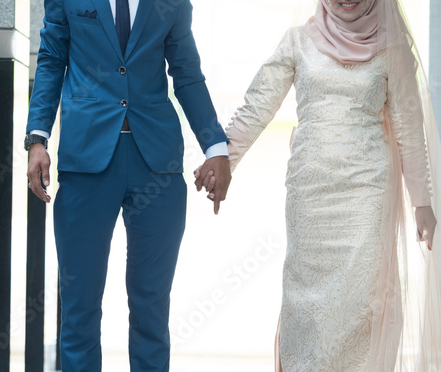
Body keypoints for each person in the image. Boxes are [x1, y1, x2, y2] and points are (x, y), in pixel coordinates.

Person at [195, 0, 441, 370]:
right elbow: (257, 106)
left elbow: (408, 128)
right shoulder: (298, 40)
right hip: (311, 200)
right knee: (307, 307)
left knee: (362, 304)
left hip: (368, 198)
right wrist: (222, 160)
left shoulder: (392, 47)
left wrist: (422, 201)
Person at [24, 0, 231, 371]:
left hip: (157, 166)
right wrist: (37, 138)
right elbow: (52, 57)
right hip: (86, 163)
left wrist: (215, 147)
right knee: (79, 307)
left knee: (152, 306)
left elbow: (186, 72)